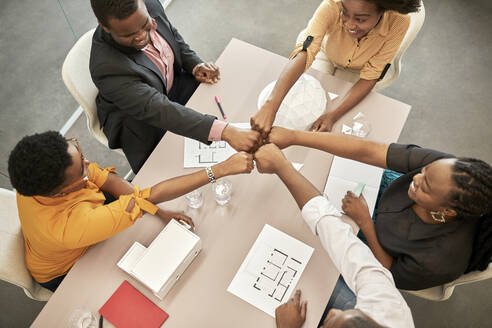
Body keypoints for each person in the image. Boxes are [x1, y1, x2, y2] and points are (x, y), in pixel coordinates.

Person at [7, 131, 254, 291]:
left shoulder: (39, 175)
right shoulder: (71, 227)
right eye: (81, 170)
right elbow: (149, 195)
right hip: (67, 270)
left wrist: (160, 213)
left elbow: (109, 182)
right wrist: (219, 170)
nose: (87, 164)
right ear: (59, 192)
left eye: (78, 152)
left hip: (76, 223)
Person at [266, 127, 492, 291]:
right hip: (377, 196)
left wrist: (365, 221)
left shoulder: (439, 260)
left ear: (447, 212)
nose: (416, 178)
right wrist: (295, 136)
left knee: (301, 228)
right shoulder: (445, 170)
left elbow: (388, 274)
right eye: (424, 170)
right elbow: (369, 151)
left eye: (426, 186)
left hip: (375, 246)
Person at [254, 144, 414, 328]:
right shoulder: (388, 307)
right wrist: (283, 167)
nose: (332, 313)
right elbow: (341, 241)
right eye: (349, 314)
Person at [90, 0, 260, 173]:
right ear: (104, 27)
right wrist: (225, 132)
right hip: (141, 121)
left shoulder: (150, 4)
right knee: (180, 171)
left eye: (145, 25)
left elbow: (172, 37)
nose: (141, 36)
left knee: (233, 101)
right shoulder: (107, 67)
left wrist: (194, 64)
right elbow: (158, 109)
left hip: (173, 84)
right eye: (128, 35)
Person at [251, 0, 421, 135]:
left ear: (382, 12)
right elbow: (306, 51)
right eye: (345, 14)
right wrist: (270, 105)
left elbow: (372, 74)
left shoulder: (399, 21)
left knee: (333, 120)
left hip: (359, 70)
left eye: (360, 19)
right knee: (308, 99)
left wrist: (333, 116)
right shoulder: (332, 4)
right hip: (325, 53)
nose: (349, 24)